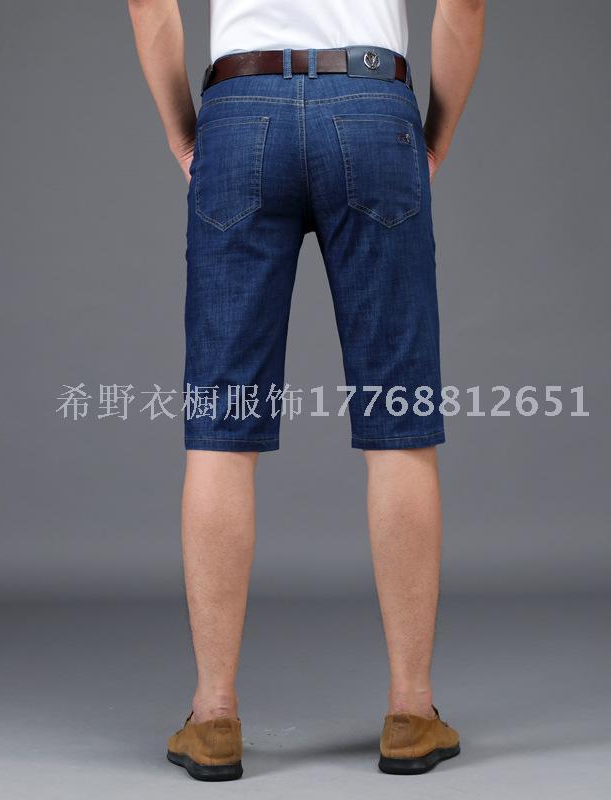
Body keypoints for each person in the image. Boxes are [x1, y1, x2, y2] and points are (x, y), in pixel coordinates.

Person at [128, 0, 485, 780]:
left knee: (221, 427)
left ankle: (213, 716)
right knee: (399, 419)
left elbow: (148, 4)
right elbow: (465, 6)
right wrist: (435, 136)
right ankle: (412, 711)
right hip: (372, 105)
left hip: (240, 107)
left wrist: (186, 133)